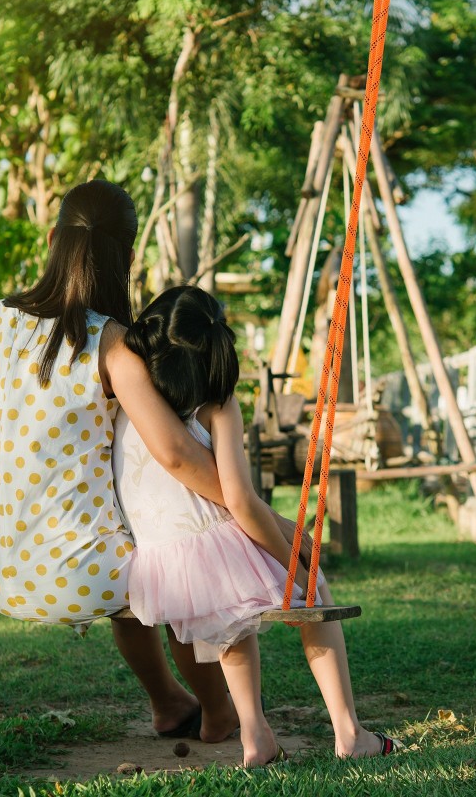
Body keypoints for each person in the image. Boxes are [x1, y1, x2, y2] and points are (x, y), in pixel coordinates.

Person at [0, 180, 238, 742]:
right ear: (130, 258)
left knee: (131, 562)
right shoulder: (109, 342)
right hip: (80, 577)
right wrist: (251, 516)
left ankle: (167, 702)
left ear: (51, 239)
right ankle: (218, 712)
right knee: (177, 559)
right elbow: (177, 454)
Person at [113, 285, 402, 766]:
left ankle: (256, 735)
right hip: (216, 539)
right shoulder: (218, 406)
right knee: (314, 593)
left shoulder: (130, 405)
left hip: (159, 561)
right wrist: (295, 560)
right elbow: (242, 504)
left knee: (232, 629)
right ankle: (350, 733)